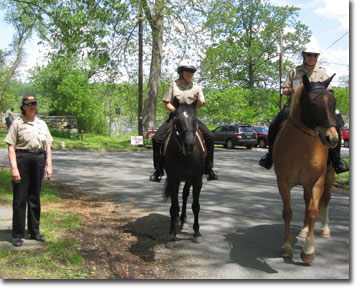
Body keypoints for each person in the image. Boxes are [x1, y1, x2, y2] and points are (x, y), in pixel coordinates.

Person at [259, 44, 349, 174]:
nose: (311, 57)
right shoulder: (295, 71)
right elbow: (284, 89)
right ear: (303, 56)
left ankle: (337, 160)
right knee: (274, 124)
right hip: (295, 106)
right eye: (309, 54)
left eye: (314, 55)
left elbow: (329, 90)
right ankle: (270, 155)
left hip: (315, 109)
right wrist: (291, 90)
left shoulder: (322, 72)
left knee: (335, 125)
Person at [150, 59, 218, 182]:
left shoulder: (197, 87)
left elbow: (201, 103)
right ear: (181, 72)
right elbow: (167, 102)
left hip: (191, 118)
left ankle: (208, 168)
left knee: (210, 136)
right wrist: (176, 112)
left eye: (192, 72)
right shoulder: (173, 85)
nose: (190, 74)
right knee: (156, 139)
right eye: (188, 71)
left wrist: (198, 100)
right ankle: (158, 170)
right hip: (176, 117)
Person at [4, 94, 53, 247]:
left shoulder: (41, 124)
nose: (33, 106)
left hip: (38, 160)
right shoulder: (17, 124)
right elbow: (11, 147)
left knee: (35, 197)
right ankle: (17, 234)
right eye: (29, 104)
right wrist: (14, 169)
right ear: (23, 107)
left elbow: (48, 146)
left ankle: (34, 231)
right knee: (20, 198)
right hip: (22, 159)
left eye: (34, 104)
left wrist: (49, 165)